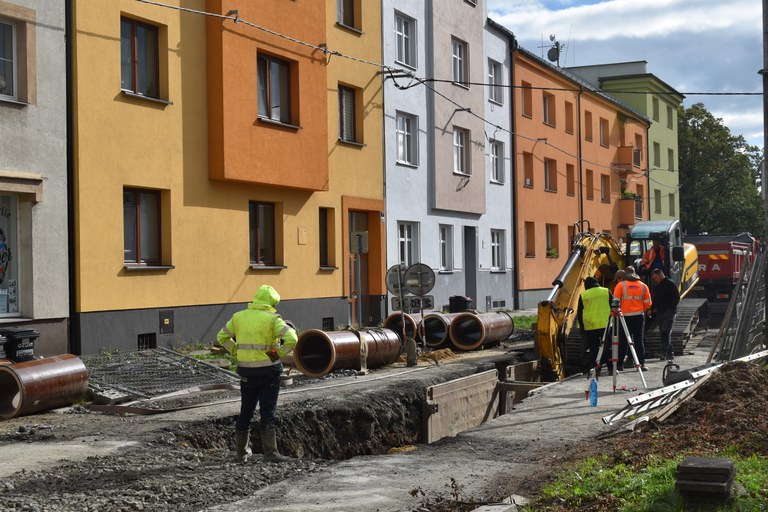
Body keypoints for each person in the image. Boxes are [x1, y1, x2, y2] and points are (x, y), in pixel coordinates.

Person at [217, 284, 298, 463]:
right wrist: (276, 354)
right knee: (267, 412)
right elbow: (292, 338)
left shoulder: (238, 317)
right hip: (268, 372)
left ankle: (241, 453)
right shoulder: (272, 319)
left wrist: (236, 351)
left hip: (246, 372)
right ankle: (271, 453)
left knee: (246, 410)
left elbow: (221, 337)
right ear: (272, 302)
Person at [612, 266, 652, 371]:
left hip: (624, 317)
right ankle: (641, 363)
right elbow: (648, 304)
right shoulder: (644, 286)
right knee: (638, 340)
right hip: (639, 316)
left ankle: (620, 365)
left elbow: (615, 302)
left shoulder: (621, 285)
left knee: (623, 341)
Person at [576, 276, 614, 375]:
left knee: (594, 348)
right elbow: (614, 307)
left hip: (590, 326)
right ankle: (611, 368)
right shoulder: (606, 291)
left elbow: (579, 314)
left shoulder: (584, 295)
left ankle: (597, 370)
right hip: (606, 325)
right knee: (608, 347)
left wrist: (582, 328)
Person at [650, 269, 680, 361]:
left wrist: (670, 309)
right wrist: (651, 309)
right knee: (664, 333)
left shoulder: (670, 284)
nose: (655, 280)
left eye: (655, 278)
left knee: (665, 332)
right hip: (661, 312)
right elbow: (656, 299)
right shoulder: (659, 286)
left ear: (659, 275)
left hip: (668, 312)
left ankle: (663, 353)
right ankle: (670, 354)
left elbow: (676, 298)